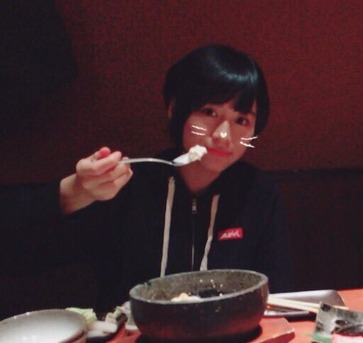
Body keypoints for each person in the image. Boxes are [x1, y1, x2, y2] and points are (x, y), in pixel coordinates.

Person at [7, 44, 293, 313]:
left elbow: (276, 295)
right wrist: (74, 191)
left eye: (241, 120)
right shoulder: (124, 187)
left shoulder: (259, 194)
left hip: (232, 341)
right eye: (209, 112)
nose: (223, 135)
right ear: (174, 109)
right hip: (132, 340)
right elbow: (17, 254)